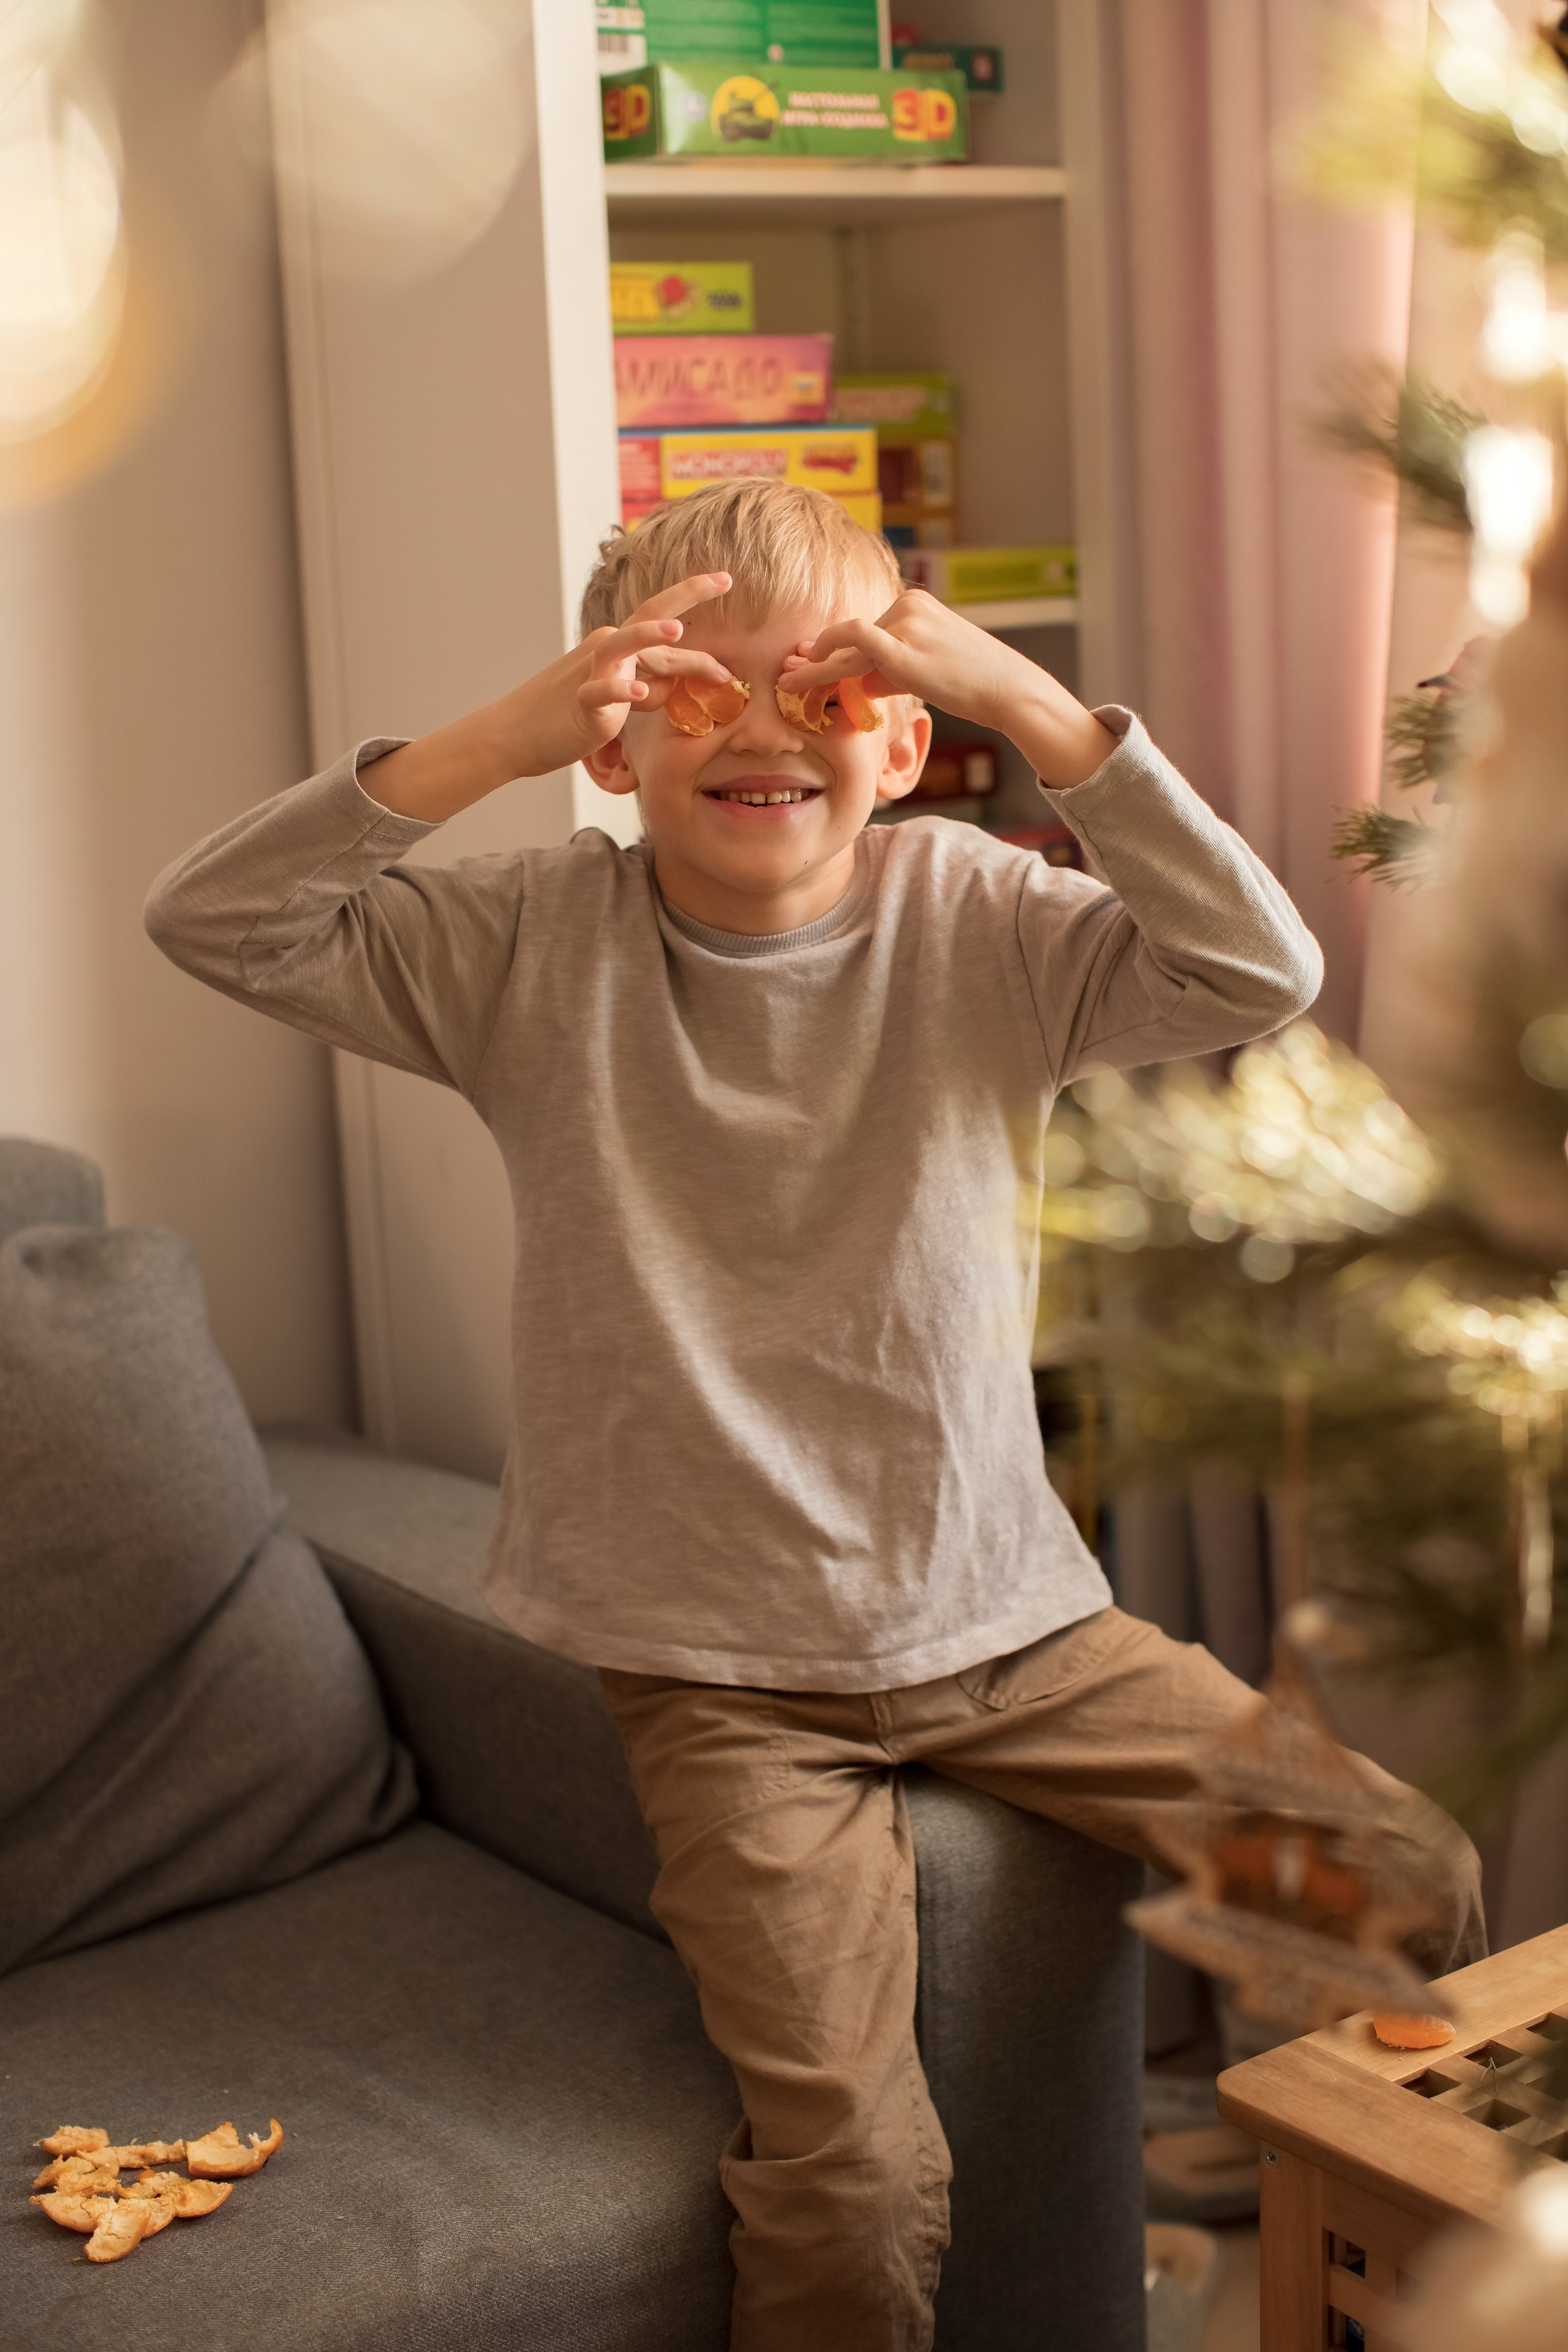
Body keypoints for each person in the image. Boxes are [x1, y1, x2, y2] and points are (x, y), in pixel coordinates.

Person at [145, 478, 1483, 2351]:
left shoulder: (987, 918)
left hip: (1022, 1636)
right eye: (703, 693)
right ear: (617, 744)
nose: (768, 732)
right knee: (857, 2189)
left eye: (827, 693)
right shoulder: (529, 947)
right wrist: (494, 743)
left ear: (908, 742)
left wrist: (1045, 712)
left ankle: (1328, 2216)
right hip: (723, 1685)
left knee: (1402, 1872)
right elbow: (216, 920)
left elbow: (1259, 968)